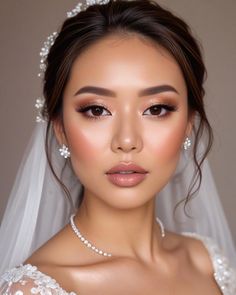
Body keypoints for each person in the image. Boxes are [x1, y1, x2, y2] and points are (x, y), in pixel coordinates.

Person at [0, 0, 236, 294]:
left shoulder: (206, 261)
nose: (127, 141)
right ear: (59, 127)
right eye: (97, 110)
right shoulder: (34, 288)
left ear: (189, 122)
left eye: (157, 109)